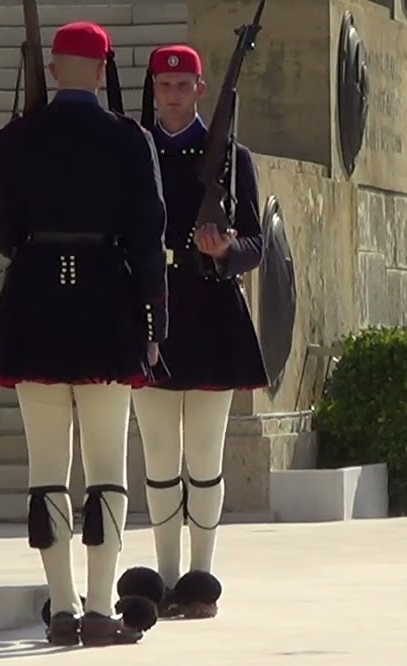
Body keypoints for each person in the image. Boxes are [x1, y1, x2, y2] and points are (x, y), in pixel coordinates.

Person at [0, 20, 168, 647]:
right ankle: (102, 609)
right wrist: (156, 320)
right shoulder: (130, 140)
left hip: (35, 308)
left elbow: (4, 235)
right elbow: (148, 234)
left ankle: (61, 608)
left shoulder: (15, 139)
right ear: (105, 69)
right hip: (107, 304)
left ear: (53, 72)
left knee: (46, 467)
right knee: (108, 463)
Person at [118, 44, 269, 621]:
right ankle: (164, 572)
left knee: (204, 456)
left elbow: (258, 244)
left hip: (210, 314)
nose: (173, 95)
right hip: (154, 311)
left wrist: (227, 249)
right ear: (154, 89)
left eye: (183, 87)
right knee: (159, 456)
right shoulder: (137, 154)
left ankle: (200, 578)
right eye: (164, 86)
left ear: (201, 90)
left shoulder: (232, 158)